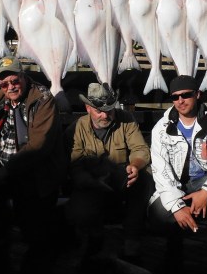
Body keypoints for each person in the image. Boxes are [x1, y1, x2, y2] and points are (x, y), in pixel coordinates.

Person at [0, 56, 65, 274]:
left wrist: (4, 172)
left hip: (34, 171)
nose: (10, 87)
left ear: (24, 77)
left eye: (15, 80)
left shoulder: (43, 100)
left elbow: (38, 147)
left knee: (37, 237)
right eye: (4, 83)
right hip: (0, 167)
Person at [148, 75, 207, 264]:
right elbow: (161, 170)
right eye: (175, 97)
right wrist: (176, 206)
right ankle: (176, 244)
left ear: (197, 95)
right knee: (160, 213)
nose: (180, 101)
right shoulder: (161, 129)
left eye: (186, 95)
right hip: (176, 183)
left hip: (204, 180)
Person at [65, 83, 153, 261]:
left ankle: (132, 240)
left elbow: (140, 149)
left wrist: (135, 166)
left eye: (110, 110)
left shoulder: (126, 119)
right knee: (79, 211)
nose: (105, 115)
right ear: (88, 108)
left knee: (144, 179)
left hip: (121, 177)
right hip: (90, 183)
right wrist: (90, 181)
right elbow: (74, 166)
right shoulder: (76, 128)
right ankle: (94, 237)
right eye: (99, 110)